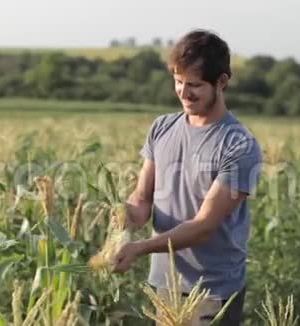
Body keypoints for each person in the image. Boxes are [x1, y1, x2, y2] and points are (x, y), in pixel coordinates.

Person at [112, 29, 263, 325]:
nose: (183, 92)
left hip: (212, 291)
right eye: (178, 82)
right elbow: (142, 200)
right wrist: (123, 219)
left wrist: (139, 248)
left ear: (221, 83)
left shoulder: (239, 144)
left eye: (194, 85)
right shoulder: (162, 128)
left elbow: (204, 226)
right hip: (164, 284)